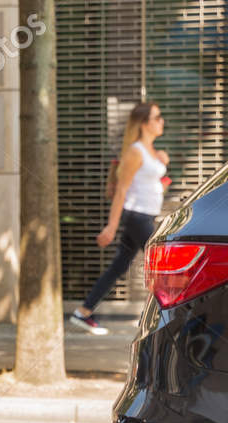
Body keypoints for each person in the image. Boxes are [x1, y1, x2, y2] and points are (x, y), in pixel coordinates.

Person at [71, 102, 168, 335]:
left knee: (119, 265)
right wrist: (111, 227)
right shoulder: (135, 151)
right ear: (144, 123)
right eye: (157, 117)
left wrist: (162, 167)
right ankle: (167, 317)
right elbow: (122, 190)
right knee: (163, 264)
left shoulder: (154, 151)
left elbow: (151, 184)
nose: (161, 121)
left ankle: (83, 312)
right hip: (137, 216)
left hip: (147, 214)